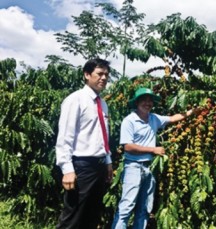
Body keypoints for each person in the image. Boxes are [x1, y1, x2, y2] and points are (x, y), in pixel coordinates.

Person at [112, 87, 196, 229]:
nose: (148, 103)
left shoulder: (154, 118)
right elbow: (128, 147)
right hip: (133, 166)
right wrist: (153, 149)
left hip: (149, 168)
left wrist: (194, 111)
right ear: (137, 102)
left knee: (145, 207)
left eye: (150, 101)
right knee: (127, 206)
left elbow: (174, 118)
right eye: (144, 100)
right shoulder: (129, 121)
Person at [55, 58, 113, 229]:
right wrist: (67, 169)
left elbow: (103, 135)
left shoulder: (103, 103)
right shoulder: (76, 100)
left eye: (106, 75)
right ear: (87, 75)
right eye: (99, 74)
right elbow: (65, 136)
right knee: (73, 217)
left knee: (92, 215)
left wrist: (108, 162)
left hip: (99, 165)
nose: (104, 78)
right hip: (81, 165)